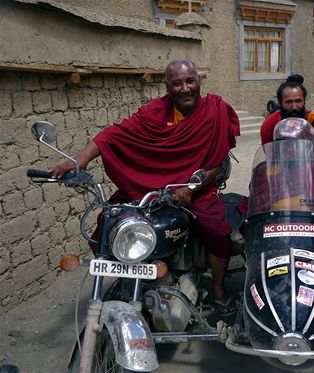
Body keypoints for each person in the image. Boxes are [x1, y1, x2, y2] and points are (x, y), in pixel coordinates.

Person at [49, 59, 241, 316]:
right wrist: (79, 160)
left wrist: (191, 189)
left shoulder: (214, 111)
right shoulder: (155, 112)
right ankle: (133, 279)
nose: (185, 88)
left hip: (196, 190)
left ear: (199, 82)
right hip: (153, 190)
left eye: (190, 81)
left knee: (217, 230)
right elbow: (114, 134)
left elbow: (215, 165)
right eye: (177, 83)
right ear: (167, 87)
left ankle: (218, 288)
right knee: (110, 220)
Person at [260, 74, 314, 149]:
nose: (294, 107)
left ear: (304, 101)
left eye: (298, 101)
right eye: (289, 102)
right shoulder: (270, 124)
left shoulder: (312, 121)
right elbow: (269, 154)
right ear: (280, 102)